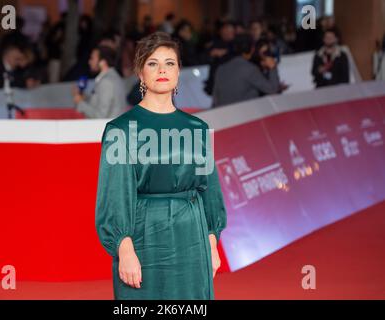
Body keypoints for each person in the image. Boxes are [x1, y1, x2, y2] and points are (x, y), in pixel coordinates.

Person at [95, 32, 227, 300]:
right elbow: (114, 197)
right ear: (141, 73)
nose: (162, 70)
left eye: (170, 63)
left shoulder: (198, 129)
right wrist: (124, 248)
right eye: (153, 63)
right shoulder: (120, 130)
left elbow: (209, 190)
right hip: (144, 236)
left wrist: (211, 243)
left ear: (179, 72)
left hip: (192, 236)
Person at [212, 34, 280, 106]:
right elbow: (272, 89)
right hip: (247, 113)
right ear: (252, 48)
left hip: (223, 113)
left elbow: (215, 98)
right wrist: (272, 67)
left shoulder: (221, 68)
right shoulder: (250, 68)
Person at [73, 45, 127, 118]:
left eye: (92, 58)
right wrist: (84, 98)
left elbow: (100, 116)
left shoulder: (106, 82)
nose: (89, 62)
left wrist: (80, 103)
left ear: (103, 62)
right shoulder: (113, 77)